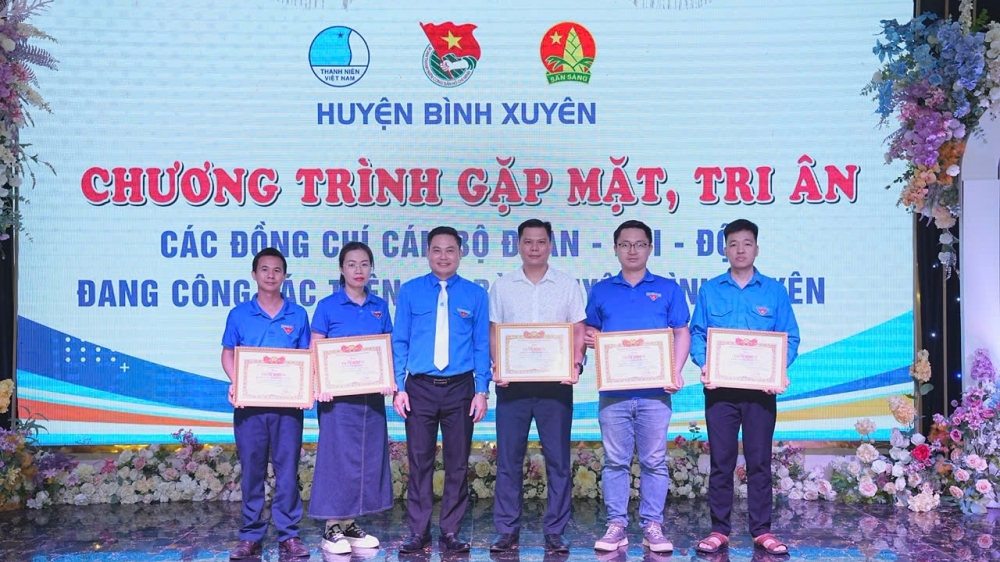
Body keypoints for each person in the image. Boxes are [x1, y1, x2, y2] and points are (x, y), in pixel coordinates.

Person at [689, 219, 800, 557]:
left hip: (760, 393)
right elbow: (697, 334)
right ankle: (719, 530)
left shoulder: (774, 291)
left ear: (757, 248)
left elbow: (790, 337)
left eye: (747, 243)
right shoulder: (710, 290)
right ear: (724, 249)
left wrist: (778, 369)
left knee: (759, 461)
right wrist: (704, 364)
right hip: (720, 391)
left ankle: (762, 530)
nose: (740, 250)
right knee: (721, 462)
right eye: (734, 244)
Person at [583, 219, 690, 555]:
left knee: (654, 461)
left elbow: (681, 332)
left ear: (650, 248)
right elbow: (589, 331)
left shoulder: (668, 288)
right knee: (615, 461)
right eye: (625, 244)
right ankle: (616, 525)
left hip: (655, 393)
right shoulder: (601, 291)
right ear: (615, 249)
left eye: (639, 244)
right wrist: (592, 338)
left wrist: (675, 371)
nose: (632, 250)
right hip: (613, 394)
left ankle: (652, 526)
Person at [488, 219, 586, 554]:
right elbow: (495, 332)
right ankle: (506, 531)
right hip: (512, 386)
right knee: (508, 460)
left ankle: (556, 531)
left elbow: (578, 330)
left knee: (558, 461)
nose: (534, 247)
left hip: (555, 386)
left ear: (550, 245)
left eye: (541, 241)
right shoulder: (502, 286)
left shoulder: (567, 284)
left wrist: (575, 365)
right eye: (528, 241)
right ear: (518, 245)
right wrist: (498, 366)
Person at [391, 226, 491, 553]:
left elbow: (481, 345)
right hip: (418, 388)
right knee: (419, 462)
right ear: (427, 253)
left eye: (450, 250)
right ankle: (418, 532)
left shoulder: (476, 295)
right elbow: (400, 340)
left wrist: (481, 390)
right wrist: (398, 386)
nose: (443, 256)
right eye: (437, 250)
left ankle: (450, 531)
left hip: (460, 388)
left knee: (457, 463)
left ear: (460, 254)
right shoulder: (410, 292)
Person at [221, 247, 312, 560]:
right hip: (250, 408)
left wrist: (306, 387)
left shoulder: (298, 314)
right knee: (252, 471)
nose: (271, 275)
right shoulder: (239, 314)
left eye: (277, 270)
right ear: (254, 274)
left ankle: (289, 535)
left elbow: (306, 358)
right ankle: (250, 535)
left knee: (288, 472)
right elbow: (228, 354)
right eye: (264, 269)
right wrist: (237, 381)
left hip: (288, 409)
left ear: (285, 275)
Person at [308, 241, 393, 554]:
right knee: (337, 459)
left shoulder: (379, 306)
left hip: (371, 400)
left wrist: (389, 379)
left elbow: (386, 347)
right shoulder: (327, 306)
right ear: (341, 269)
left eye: (364, 264)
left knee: (365, 459)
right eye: (352, 264)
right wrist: (320, 382)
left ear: (371, 269)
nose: (359, 270)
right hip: (337, 400)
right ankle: (331, 527)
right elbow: (315, 349)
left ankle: (349, 523)